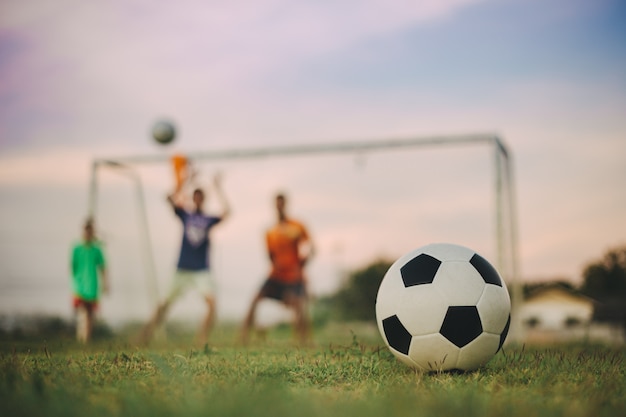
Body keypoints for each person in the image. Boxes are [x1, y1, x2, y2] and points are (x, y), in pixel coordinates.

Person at [140, 173, 231, 347]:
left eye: (200, 197)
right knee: (165, 304)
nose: (197, 200)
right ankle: (145, 336)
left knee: (212, 305)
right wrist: (186, 181)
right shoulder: (185, 215)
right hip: (182, 267)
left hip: (201, 269)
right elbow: (168, 198)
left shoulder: (208, 219)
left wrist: (218, 188)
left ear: (203, 199)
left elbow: (227, 212)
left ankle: (202, 339)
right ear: (192, 198)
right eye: (195, 197)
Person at [241, 193, 315, 345]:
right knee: (255, 299)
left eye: (281, 203)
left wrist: (303, 263)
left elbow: (310, 247)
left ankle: (303, 342)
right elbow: (270, 255)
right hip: (276, 274)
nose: (279, 206)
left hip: (294, 275)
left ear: (286, 204)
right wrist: (276, 266)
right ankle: (243, 338)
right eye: (277, 203)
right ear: (274, 206)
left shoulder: (297, 226)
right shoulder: (270, 231)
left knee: (299, 306)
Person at [70, 218, 108, 343]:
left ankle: (86, 339)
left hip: (92, 286)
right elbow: (72, 267)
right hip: (79, 286)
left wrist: (105, 283)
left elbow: (103, 267)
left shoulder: (96, 250)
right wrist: (75, 282)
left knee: (90, 314)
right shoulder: (76, 248)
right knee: (83, 313)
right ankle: (82, 337)